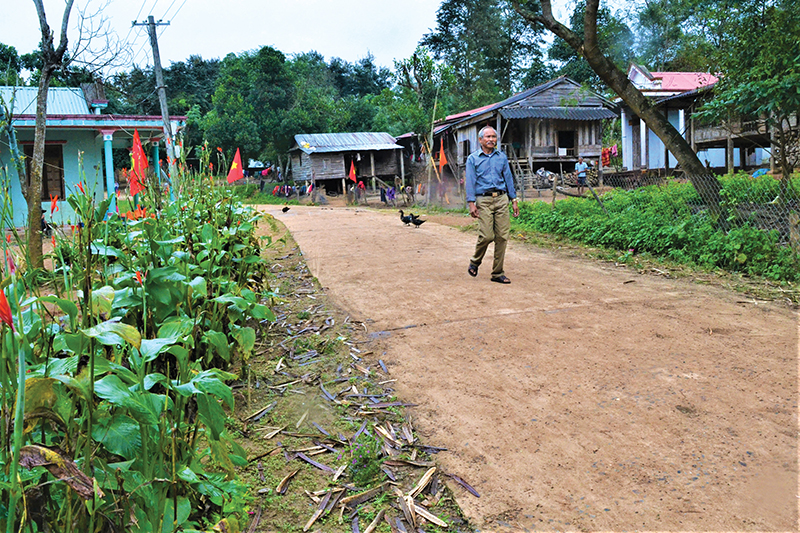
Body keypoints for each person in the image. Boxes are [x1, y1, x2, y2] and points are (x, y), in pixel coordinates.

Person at [465, 125, 519, 284]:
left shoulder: (501, 157)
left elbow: (508, 179)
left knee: (502, 236)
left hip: (502, 199)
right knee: (487, 236)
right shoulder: (473, 159)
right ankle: (475, 261)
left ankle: (497, 273)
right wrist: (471, 203)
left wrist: (514, 200)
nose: (491, 140)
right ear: (480, 140)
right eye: (487, 137)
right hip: (483, 200)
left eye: (493, 137)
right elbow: (470, 182)